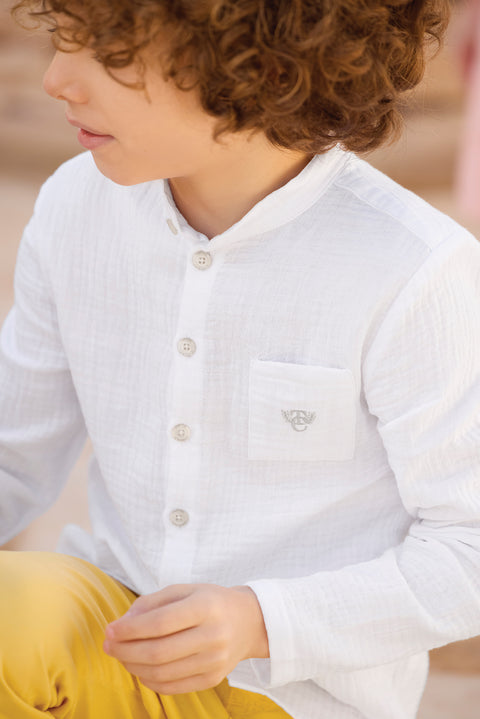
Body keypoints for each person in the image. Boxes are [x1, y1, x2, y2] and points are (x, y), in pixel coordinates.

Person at [1, 0, 480, 717]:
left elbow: (469, 548)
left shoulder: (415, 269)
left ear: (262, 69)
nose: (57, 80)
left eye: (109, 53)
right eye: (62, 41)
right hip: (105, 641)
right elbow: (11, 454)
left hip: (291, 698)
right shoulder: (74, 207)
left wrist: (260, 620)